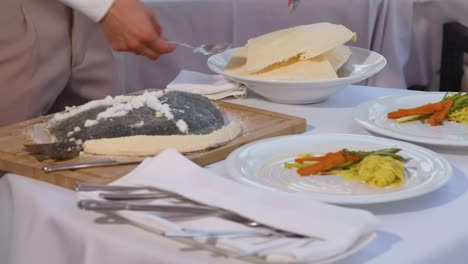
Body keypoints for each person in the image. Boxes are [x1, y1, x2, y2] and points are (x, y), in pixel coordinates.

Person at [0, 0, 176, 126]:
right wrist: (107, 5)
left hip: (101, 22)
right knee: (9, 145)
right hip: (16, 13)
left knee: (103, 138)